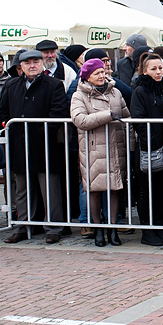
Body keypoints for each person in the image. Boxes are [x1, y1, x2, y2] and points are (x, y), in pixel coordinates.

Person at [0, 49, 70, 244]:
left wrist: (38, 131)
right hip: (19, 145)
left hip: (46, 145)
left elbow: (58, 113)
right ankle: (23, 226)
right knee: (22, 189)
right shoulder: (11, 85)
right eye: (27, 62)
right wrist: (9, 127)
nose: (32, 65)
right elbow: (2, 113)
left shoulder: (54, 85)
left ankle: (54, 227)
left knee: (50, 189)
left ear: (42, 63)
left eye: (35, 61)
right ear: (20, 66)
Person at [70, 58, 129, 247]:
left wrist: (131, 144)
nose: (102, 75)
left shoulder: (116, 92)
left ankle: (113, 229)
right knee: (94, 191)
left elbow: (127, 117)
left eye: (103, 72)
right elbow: (80, 119)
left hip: (115, 145)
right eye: (97, 73)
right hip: (93, 147)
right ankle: (98, 230)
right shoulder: (79, 96)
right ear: (88, 77)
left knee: (114, 189)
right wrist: (108, 115)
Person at [130, 53, 163, 247]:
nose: (158, 72)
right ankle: (148, 230)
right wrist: (152, 141)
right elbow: (139, 120)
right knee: (147, 189)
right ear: (145, 71)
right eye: (154, 69)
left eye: (161, 68)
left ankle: (161, 226)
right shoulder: (140, 91)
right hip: (148, 147)